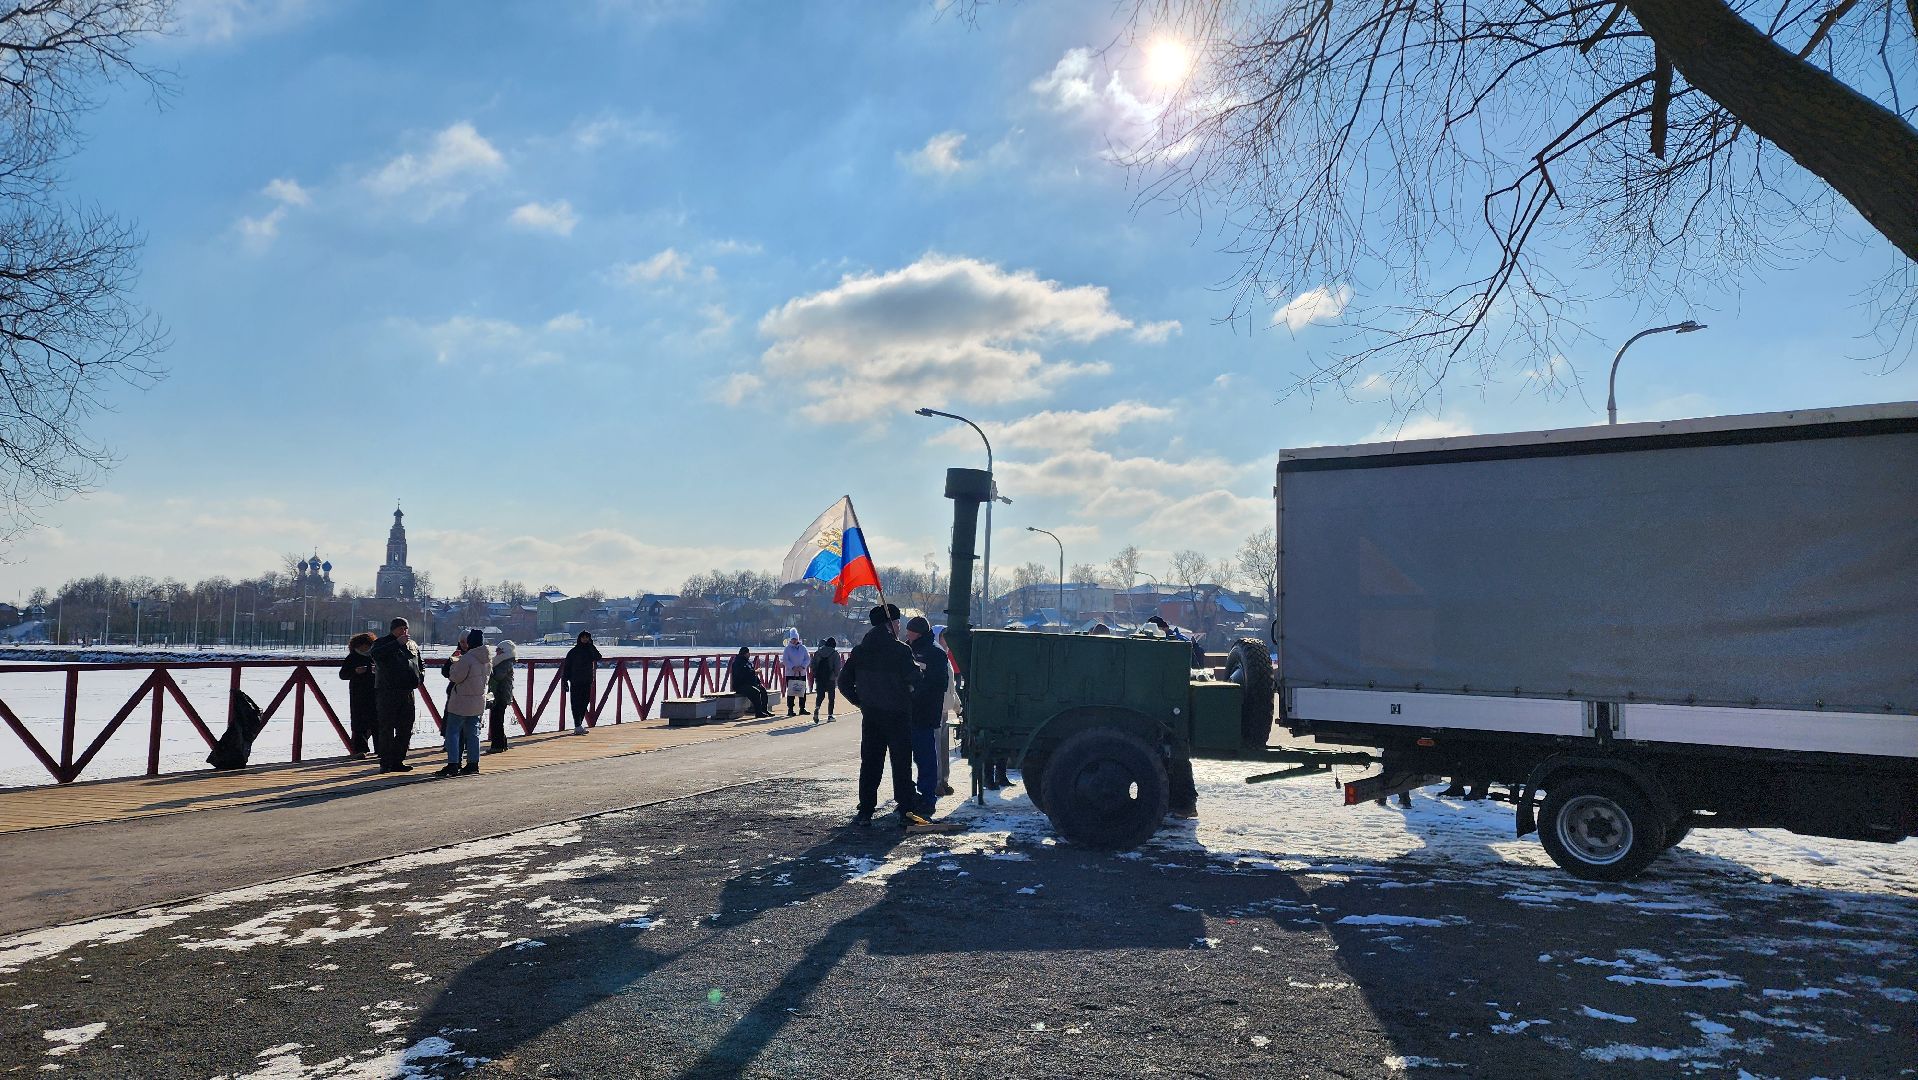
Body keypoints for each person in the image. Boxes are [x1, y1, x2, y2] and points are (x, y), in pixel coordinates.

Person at [839, 602, 925, 827]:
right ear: (891, 624)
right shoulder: (900, 651)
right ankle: (905, 809)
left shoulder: (860, 651)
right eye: (897, 623)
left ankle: (866, 810)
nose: (899, 627)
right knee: (901, 763)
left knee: (870, 763)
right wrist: (911, 696)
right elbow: (916, 681)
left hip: (872, 715)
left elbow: (843, 682)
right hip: (898, 715)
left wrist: (861, 702)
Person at [1144, 615, 1202, 819]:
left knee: (1178, 758)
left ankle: (1186, 804)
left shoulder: (1177, 643)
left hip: (1177, 707)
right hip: (1172, 705)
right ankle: (1177, 803)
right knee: (1171, 759)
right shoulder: (1177, 641)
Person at [905, 615, 949, 817]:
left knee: (925, 757)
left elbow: (939, 683)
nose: (908, 634)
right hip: (907, 712)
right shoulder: (906, 650)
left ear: (919, 632)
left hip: (924, 712)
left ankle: (928, 796)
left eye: (911, 631)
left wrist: (917, 688)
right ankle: (908, 795)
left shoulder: (935, 654)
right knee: (906, 757)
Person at [370, 617, 424, 773]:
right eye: (401, 628)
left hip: (407, 691)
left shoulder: (412, 645)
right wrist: (396, 644)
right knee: (387, 728)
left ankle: (398, 760)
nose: (404, 631)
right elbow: (376, 655)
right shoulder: (382, 642)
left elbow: (420, 662)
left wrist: (420, 677)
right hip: (388, 692)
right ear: (393, 629)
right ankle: (385, 762)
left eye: (406, 628)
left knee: (405, 728)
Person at [438, 629, 491, 778]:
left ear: (470, 642)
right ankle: (473, 764)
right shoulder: (486, 659)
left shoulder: (467, 659)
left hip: (462, 701)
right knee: (473, 733)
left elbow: (455, 677)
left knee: (453, 732)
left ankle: (453, 764)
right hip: (478, 700)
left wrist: (455, 663)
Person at [337, 632, 379, 760]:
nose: (364, 648)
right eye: (362, 646)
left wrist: (376, 671)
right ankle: (360, 750)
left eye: (367, 645)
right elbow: (343, 674)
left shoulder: (375, 655)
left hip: (375, 692)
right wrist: (355, 671)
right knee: (358, 722)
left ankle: (381, 749)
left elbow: (385, 671)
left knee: (377, 721)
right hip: (358, 693)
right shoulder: (352, 657)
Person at [560, 631, 601, 735]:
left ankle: (579, 725)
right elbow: (567, 666)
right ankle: (577, 725)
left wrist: (591, 646)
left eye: (587, 637)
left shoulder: (590, 650)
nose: (585, 639)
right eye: (583, 637)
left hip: (587, 680)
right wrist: (564, 680)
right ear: (579, 638)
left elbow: (598, 657)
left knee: (585, 702)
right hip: (575, 680)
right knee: (575, 703)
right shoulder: (573, 652)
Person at [486, 639, 516, 753]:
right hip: (499, 694)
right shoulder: (502, 662)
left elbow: (498, 676)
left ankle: (497, 745)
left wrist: (489, 670)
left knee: (496, 720)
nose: (497, 652)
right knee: (497, 720)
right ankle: (502, 743)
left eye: (499, 650)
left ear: (505, 651)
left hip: (501, 695)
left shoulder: (505, 663)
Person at [731, 645, 773, 717]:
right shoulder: (738, 663)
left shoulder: (747, 662)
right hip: (741, 685)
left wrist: (758, 682)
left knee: (762, 690)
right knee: (756, 692)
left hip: (750, 683)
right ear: (745, 654)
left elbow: (751, 673)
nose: (749, 654)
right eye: (748, 653)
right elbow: (744, 674)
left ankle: (764, 710)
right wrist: (755, 672)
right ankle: (758, 712)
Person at [808, 638, 840, 723]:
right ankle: (830, 716)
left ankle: (817, 708)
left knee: (820, 695)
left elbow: (812, 665)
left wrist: (816, 674)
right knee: (831, 698)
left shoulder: (818, 653)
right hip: (830, 678)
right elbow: (837, 667)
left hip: (820, 678)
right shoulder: (835, 653)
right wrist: (835, 675)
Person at [781, 634, 811, 716]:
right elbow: (785, 660)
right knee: (791, 691)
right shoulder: (787, 649)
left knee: (802, 690)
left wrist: (803, 666)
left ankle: (802, 708)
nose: (794, 641)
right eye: (793, 639)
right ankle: (790, 709)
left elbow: (807, 659)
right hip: (791, 673)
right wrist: (792, 667)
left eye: (795, 639)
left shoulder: (803, 648)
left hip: (801, 672)